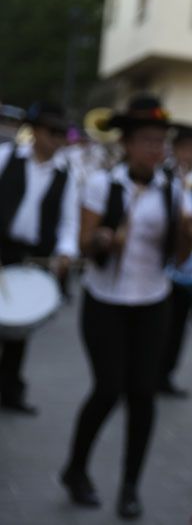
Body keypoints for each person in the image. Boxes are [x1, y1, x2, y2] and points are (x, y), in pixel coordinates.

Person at [61, 95, 192, 519]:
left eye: (161, 142)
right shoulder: (104, 184)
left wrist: (189, 234)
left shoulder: (175, 189)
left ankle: (129, 487)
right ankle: (76, 469)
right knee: (108, 388)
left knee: (143, 394)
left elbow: (180, 259)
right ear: (127, 144)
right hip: (105, 300)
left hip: (152, 300)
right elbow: (85, 243)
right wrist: (102, 239)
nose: (156, 150)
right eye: (147, 141)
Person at [0, 102, 78, 415]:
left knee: (19, 326)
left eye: (62, 134)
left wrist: (65, 252)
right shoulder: (6, 157)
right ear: (36, 131)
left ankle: (9, 390)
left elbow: (68, 223)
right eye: (52, 132)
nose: (57, 140)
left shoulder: (65, 176)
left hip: (33, 257)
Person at [159, 122, 192, 397]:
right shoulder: (164, 176)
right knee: (161, 323)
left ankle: (165, 374)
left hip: (191, 265)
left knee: (179, 323)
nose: (190, 154)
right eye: (186, 148)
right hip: (166, 263)